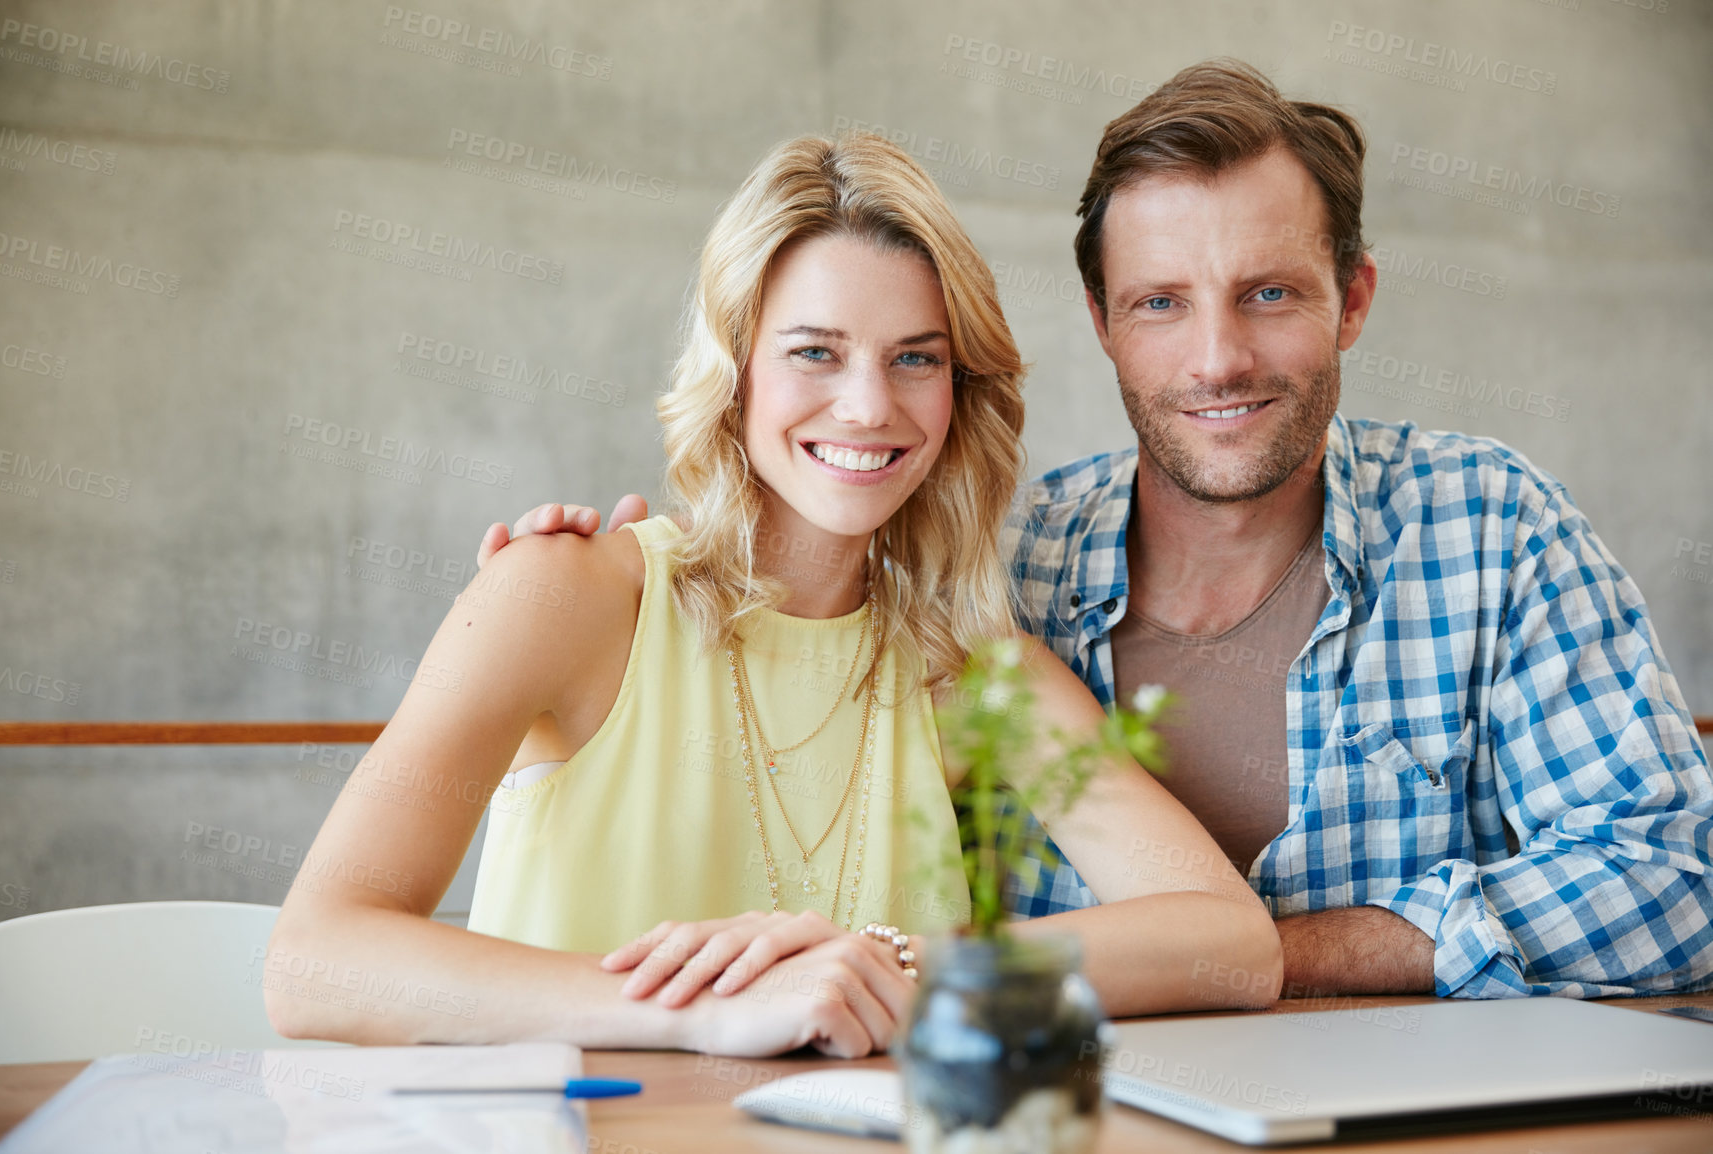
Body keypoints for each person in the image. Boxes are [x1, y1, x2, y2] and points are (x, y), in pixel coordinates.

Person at [482, 60, 1713, 1001]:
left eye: (1271, 292)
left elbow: (1679, 874)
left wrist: (1295, 952)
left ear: (1354, 298)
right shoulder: (995, 578)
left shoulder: (1487, 528)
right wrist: (565, 599)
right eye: (1162, 303)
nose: (1218, 356)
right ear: (1102, 321)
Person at [266, 132, 1281, 1059]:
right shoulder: (564, 592)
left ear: (958, 392)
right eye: (815, 351)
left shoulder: (970, 671)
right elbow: (313, 961)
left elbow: (1231, 942)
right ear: (735, 367)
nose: (869, 405)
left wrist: (904, 969)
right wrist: (702, 1009)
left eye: (915, 358)